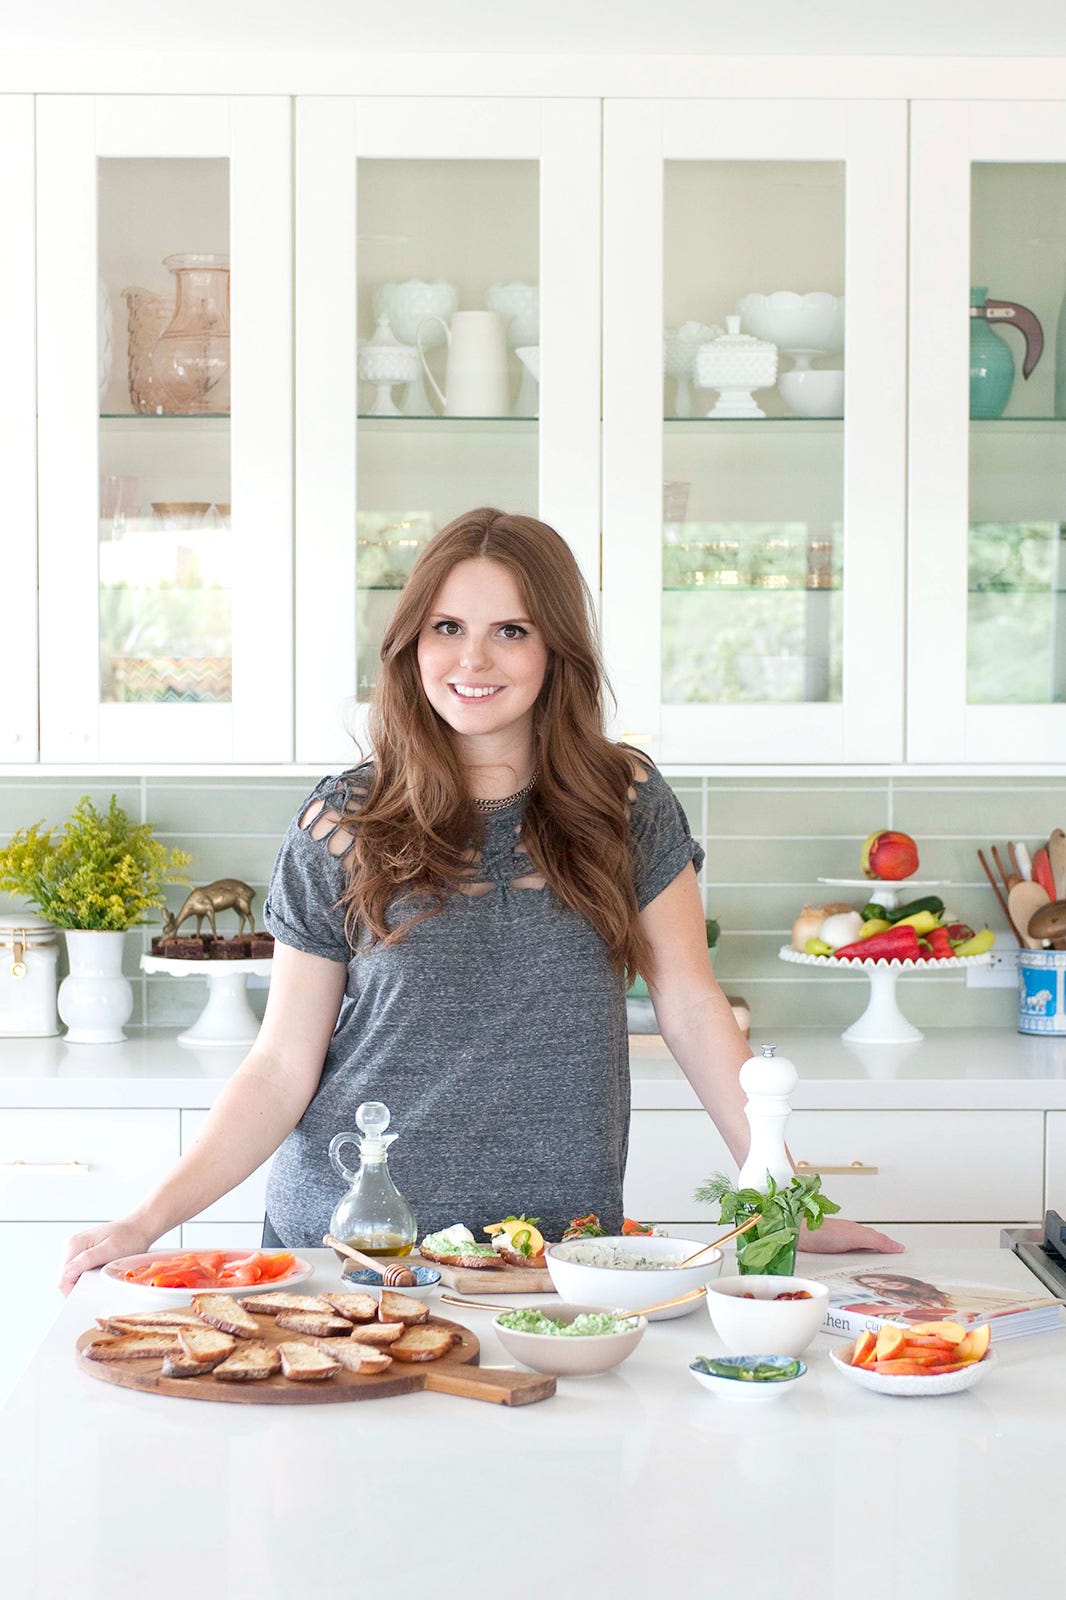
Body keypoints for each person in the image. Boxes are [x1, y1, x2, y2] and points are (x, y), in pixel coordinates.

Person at [60, 507, 900, 1291]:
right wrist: (145, 1221)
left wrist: (786, 1196)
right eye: (448, 628)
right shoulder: (341, 824)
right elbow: (280, 1066)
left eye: (511, 631)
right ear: (411, 643)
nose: (473, 661)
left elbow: (691, 1005)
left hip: (556, 1254)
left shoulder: (625, 804)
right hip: (355, 1251)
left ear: (556, 649)